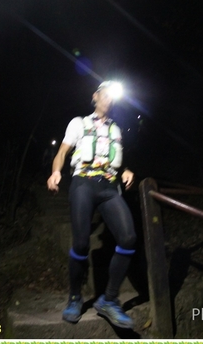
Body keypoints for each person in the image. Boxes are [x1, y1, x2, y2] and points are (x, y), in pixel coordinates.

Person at [47, 81, 136, 329]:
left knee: (128, 238)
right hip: (83, 183)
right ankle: (75, 297)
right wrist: (56, 172)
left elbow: (117, 158)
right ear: (95, 96)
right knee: (81, 243)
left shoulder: (116, 128)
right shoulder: (79, 123)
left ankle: (109, 299)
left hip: (108, 187)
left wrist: (126, 170)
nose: (109, 100)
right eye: (105, 95)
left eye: (112, 97)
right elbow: (62, 152)